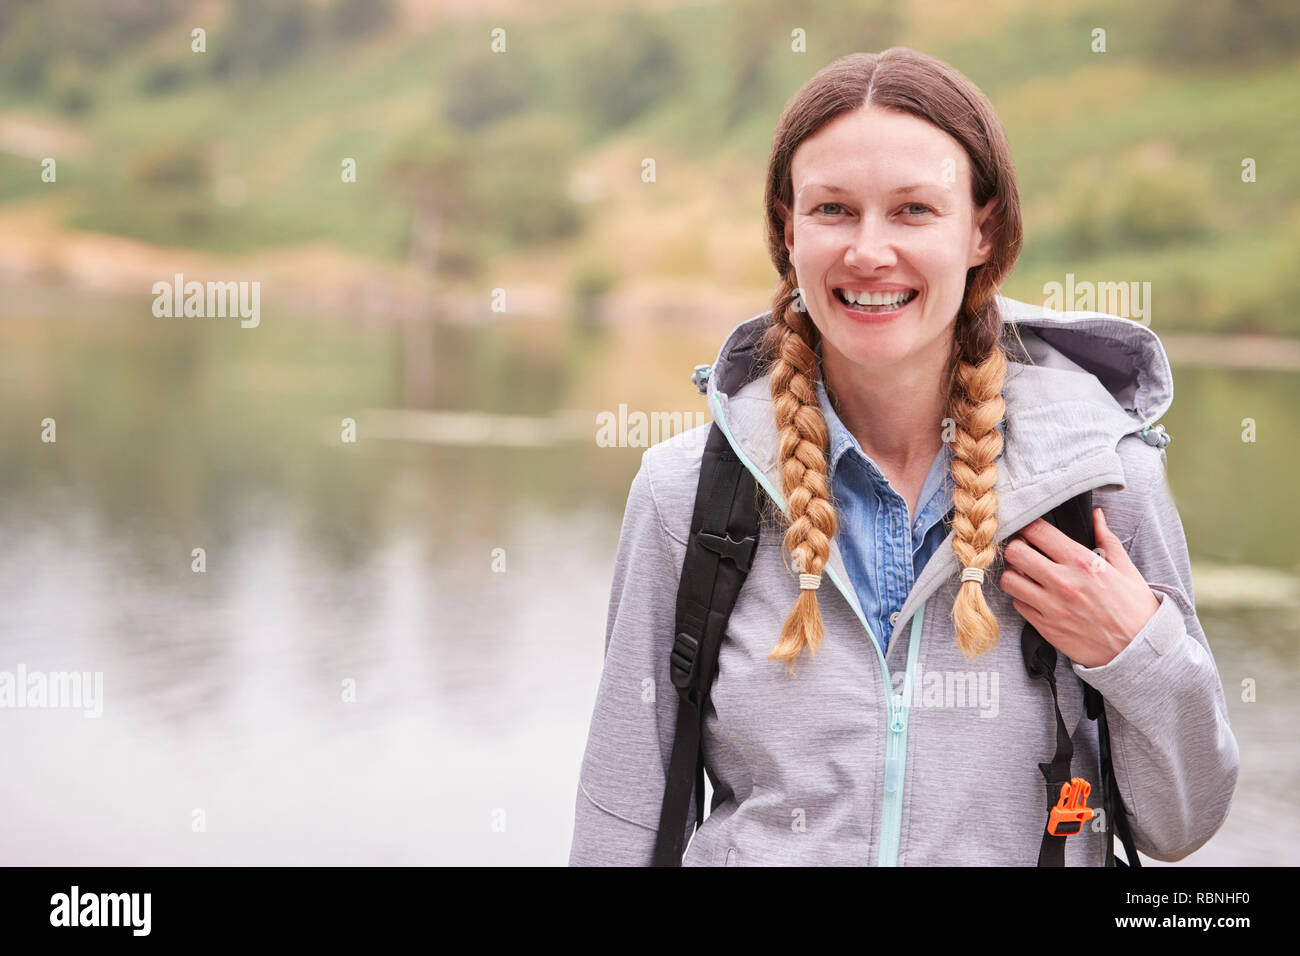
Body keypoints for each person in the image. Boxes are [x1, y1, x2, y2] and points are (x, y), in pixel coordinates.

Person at [568, 47, 1239, 866]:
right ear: (789, 229)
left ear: (981, 229)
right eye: (834, 211)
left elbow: (1182, 826)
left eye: (914, 210)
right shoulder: (685, 496)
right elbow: (622, 817)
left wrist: (1138, 655)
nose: (868, 252)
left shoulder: (1103, 485)